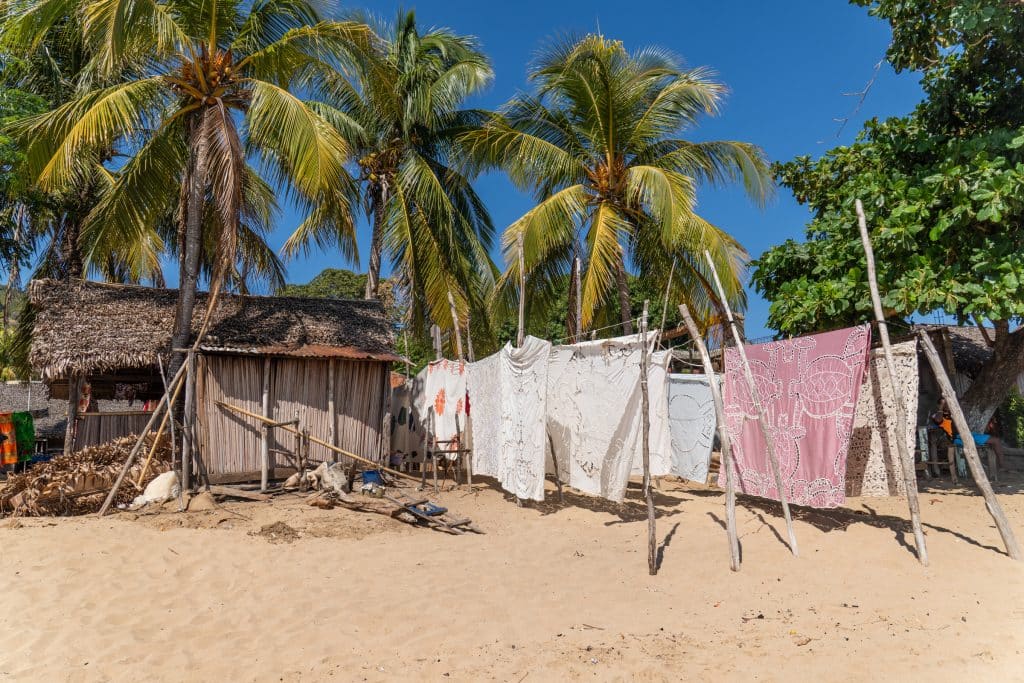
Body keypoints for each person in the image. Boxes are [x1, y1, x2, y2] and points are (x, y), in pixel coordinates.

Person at [930, 399, 1006, 472]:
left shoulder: (953, 412)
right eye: (943, 404)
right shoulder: (936, 415)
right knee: (975, 444)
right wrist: (940, 408)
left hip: (967, 434)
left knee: (996, 441)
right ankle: (980, 469)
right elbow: (938, 420)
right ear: (939, 405)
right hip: (956, 438)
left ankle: (1002, 467)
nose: (946, 405)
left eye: (947, 403)